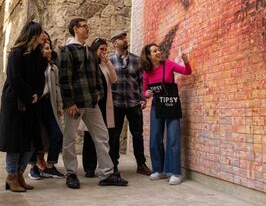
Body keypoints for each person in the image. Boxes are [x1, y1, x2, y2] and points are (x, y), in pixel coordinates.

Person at [59, 18, 128, 189]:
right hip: (75, 104)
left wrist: (98, 92)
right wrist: (68, 102)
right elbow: (64, 78)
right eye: (84, 27)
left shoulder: (89, 51)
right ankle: (71, 173)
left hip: (92, 103)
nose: (87, 29)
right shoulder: (68, 50)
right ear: (76, 29)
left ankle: (106, 173)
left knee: (103, 135)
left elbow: (96, 75)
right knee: (69, 138)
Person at [0, 21, 47, 192]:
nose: (44, 35)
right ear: (33, 34)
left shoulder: (38, 55)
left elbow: (42, 79)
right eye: (41, 32)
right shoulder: (16, 53)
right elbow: (14, 78)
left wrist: (37, 94)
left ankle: (19, 174)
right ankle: (12, 176)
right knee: (15, 142)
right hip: (16, 102)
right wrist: (28, 95)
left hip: (32, 102)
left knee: (30, 142)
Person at [140, 43, 192, 185]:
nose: (159, 52)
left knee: (172, 137)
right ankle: (159, 169)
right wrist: (147, 94)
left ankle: (175, 172)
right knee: (155, 137)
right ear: (149, 55)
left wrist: (186, 61)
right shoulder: (147, 71)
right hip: (157, 106)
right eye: (155, 51)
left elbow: (187, 72)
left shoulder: (168, 64)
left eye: (159, 50)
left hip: (171, 104)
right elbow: (144, 91)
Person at [109, 31, 151, 175]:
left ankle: (141, 164)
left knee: (137, 134)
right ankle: (113, 165)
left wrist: (143, 98)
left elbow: (142, 81)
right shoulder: (109, 61)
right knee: (114, 135)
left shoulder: (136, 60)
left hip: (134, 103)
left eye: (125, 38)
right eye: (121, 38)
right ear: (115, 43)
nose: (125, 40)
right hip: (116, 104)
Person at [28, 39, 64, 179]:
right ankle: (33, 167)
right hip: (36, 103)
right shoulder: (34, 65)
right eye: (46, 48)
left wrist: (60, 106)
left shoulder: (53, 67)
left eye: (50, 48)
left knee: (57, 135)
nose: (50, 51)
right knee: (35, 137)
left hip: (49, 104)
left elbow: (57, 87)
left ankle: (50, 166)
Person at [82, 38, 117, 178]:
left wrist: (108, 61)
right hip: (91, 105)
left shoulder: (104, 64)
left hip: (104, 105)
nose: (103, 52)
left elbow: (114, 79)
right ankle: (89, 168)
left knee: (104, 137)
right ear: (94, 49)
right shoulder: (88, 63)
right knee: (89, 137)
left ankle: (106, 165)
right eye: (101, 49)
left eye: (105, 49)